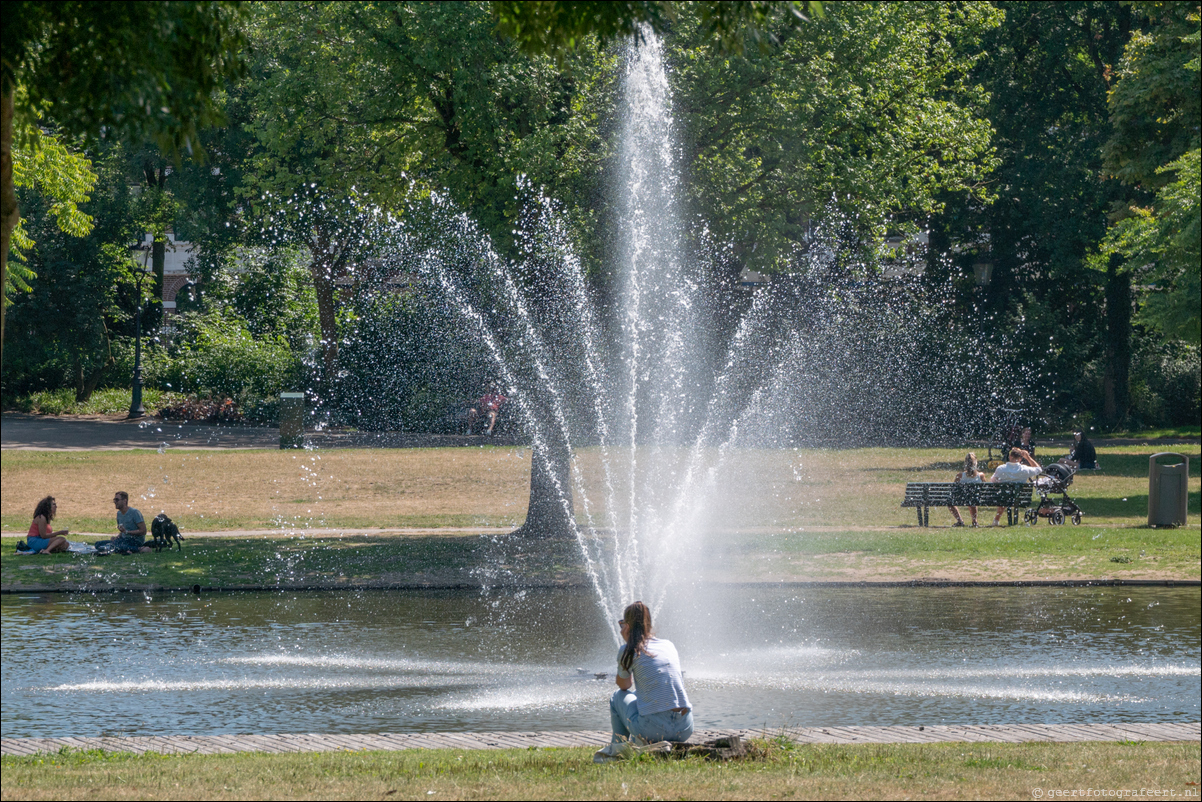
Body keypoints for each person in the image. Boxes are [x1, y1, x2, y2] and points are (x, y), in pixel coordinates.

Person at [609, 601, 694, 746]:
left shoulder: (629, 649)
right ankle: (638, 743)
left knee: (616, 697)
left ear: (627, 626)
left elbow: (624, 685)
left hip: (652, 730)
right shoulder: (668, 645)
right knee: (638, 694)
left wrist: (628, 646)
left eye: (622, 624)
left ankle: (618, 748)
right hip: (684, 728)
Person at [989, 447, 1042, 526]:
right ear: (1020, 458)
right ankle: (1000, 520)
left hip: (1003, 498)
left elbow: (992, 481)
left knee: (1005, 494)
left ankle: (996, 519)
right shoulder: (1024, 469)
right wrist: (1028, 457)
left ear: (1010, 456)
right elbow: (1039, 470)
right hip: (1020, 498)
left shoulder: (1001, 469)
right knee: (1010, 495)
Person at [948, 452, 985, 527]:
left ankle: (960, 521)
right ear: (976, 463)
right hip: (977, 499)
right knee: (973, 498)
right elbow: (984, 489)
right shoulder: (981, 476)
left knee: (950, 502)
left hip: (961, 499)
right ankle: (974, 521)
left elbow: (954, 489)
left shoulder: (960, 475)